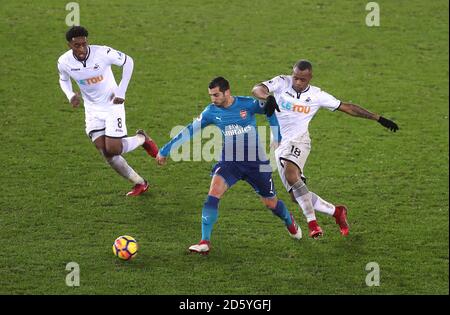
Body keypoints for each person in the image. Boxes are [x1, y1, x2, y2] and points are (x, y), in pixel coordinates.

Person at [252, 59, 399, 238]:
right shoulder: (282, 82)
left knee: (291, 175)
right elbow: (257, 88)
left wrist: (379, 118)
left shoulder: (317, 95)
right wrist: (267, 97)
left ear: (310, 78)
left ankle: (313, 225)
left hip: (299, 141)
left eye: (302, 80)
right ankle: (337, 212)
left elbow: (348, 108)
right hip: (278, 144)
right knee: (296, 195)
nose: (297, 82)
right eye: (295, 77)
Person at [156, 77, 302, 255]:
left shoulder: (247, 104)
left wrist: (277, 137)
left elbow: (271, 110)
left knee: (271, 204)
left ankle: (289, 220)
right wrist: (165, 150)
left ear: (227, 91)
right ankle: (205, 241)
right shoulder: (211, 112)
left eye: (216, 95)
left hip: (256, 163)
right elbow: (189, 129)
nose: (213, 99)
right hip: (230, 161)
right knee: (213, 194)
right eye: (211, 95)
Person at [57, 26, 158, 196]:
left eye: (84, 44)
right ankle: (140, 183)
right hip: (92, 109)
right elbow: (63, 79)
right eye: (77, 46)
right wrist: (70, 95)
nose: (82, 49)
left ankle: (142, 138)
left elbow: (128, 61)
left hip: (112, 104)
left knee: (113, 149)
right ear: (69, 45)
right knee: (105, 152)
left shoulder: (102, 53)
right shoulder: (64, 62)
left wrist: (121, 91)